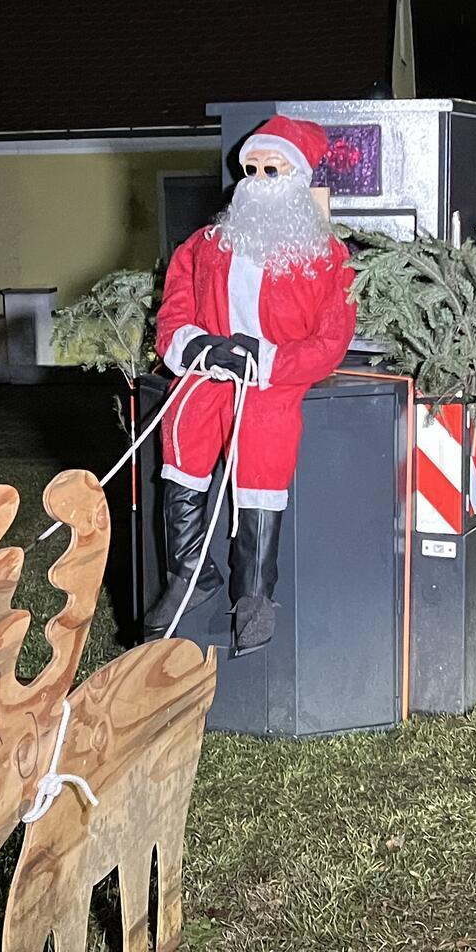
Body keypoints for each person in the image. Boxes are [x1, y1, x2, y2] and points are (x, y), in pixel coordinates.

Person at [143, 116, 355, 656]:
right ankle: (191, 573)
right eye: (251, 169)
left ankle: (256, 595)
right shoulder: (207, 244)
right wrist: (195, 345)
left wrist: (266, 359)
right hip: (210, 373)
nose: (258, 180)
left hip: (270, 381)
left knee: (264, 455)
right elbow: (175, 308)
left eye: (272, 169)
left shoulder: (325, 257)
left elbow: (331, 338)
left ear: (299, 176)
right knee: (182, 441)